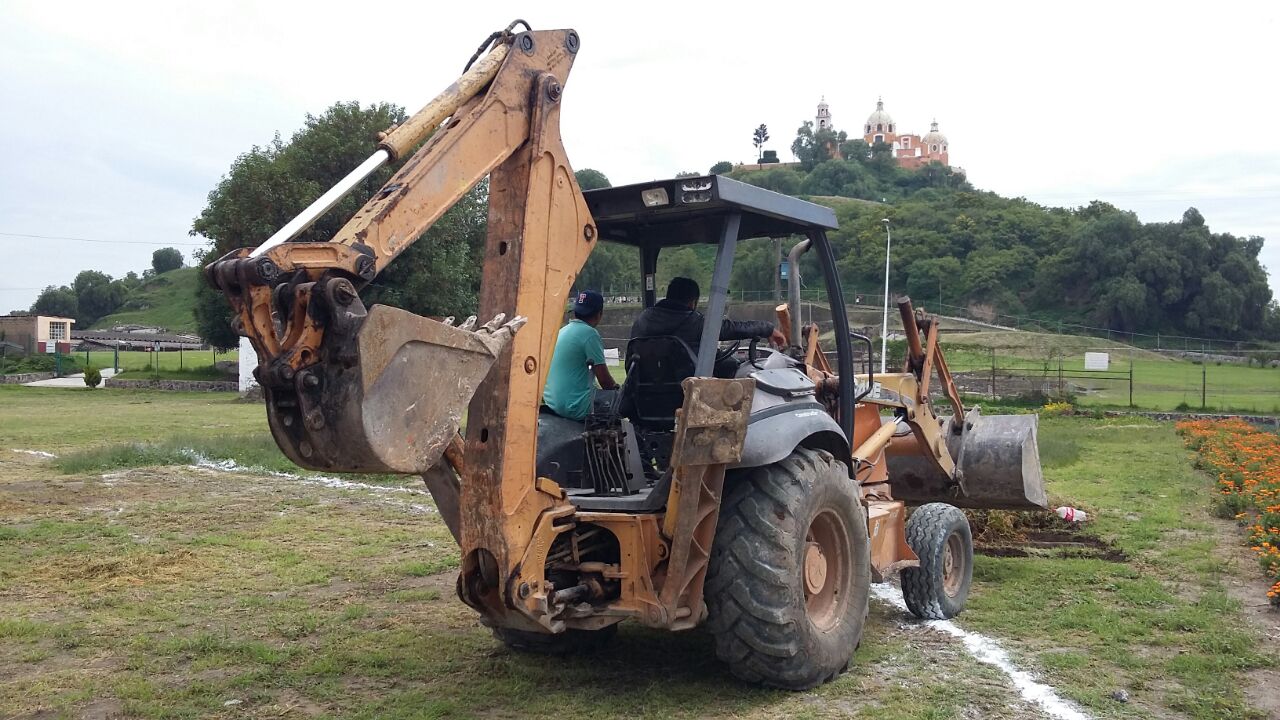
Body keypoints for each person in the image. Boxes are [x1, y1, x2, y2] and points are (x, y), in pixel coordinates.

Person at [630, 277, 786, 378]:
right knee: (731, 365)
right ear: (693, 302)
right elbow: (733, 328)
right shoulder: (693, 321)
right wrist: (768, 328)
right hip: (686, 394)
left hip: (644, 396)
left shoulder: (642, 319)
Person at [542, 289, 619, 421]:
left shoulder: (561, 332)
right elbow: (605, 381)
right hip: (577, 407)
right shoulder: (590, 334)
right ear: (599, 314)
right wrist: (618, 390)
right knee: (622, 401)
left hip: (553, 404)